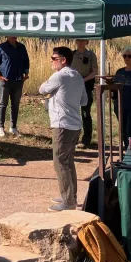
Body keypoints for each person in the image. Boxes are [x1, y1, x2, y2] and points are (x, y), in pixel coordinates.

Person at [39, 47, 88, 212]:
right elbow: (84, 101)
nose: (52, 61)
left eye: (54, 58)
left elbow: (42, 89)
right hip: (75, 124)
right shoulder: (78, 76)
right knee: (68, 161)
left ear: (63, 60)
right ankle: (70, 196)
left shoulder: (59, 76)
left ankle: (68, 202)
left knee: (60, 162)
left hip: (62, 125)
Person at [0, 36, 30, 137]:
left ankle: (13, 127)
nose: (13, 36)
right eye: (11, 34)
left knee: (15, 104)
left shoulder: (22, 47)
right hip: (4, 80)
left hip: (18, 80)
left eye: (15, 34)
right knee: (3, 103)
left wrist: (26, 73)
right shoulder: (1, 47)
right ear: (7, 36)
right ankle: (0, 127)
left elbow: (26, 61)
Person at [70, 39, 99, 148]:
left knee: (85, 113)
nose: (80, 42)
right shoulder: (72, 54)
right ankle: (73, 138)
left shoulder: (91, 55)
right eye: (79, 40)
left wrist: (84, 80)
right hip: (72, 86)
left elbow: (95, 71)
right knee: (73, 113)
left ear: (87, 42)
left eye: (83, 40)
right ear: (76, 42)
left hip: (85, 86)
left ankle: (86, 140)